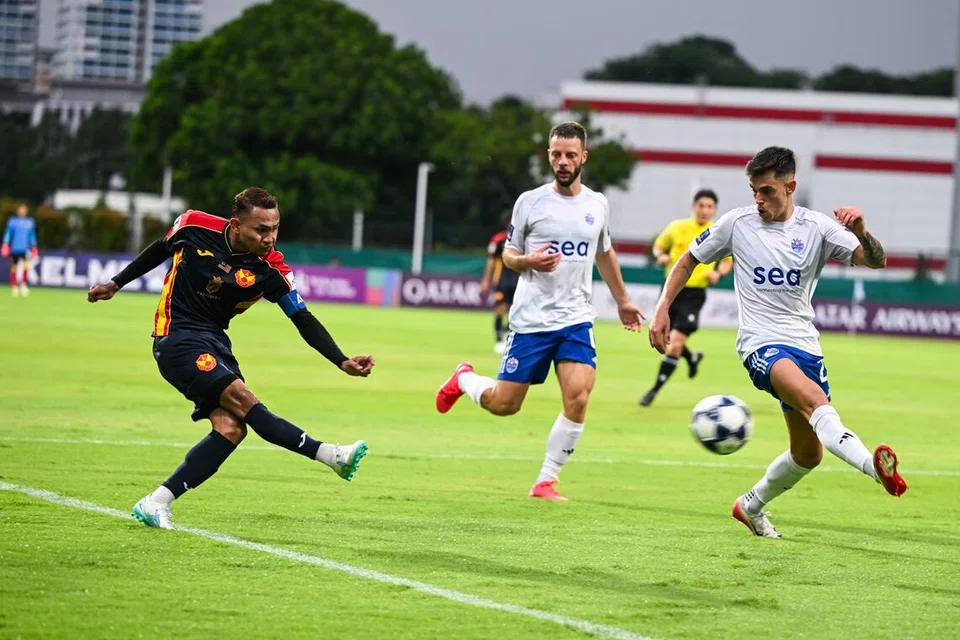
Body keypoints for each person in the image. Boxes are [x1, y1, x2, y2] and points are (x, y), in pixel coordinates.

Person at [648, 146, 908, 538]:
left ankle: (750, 505)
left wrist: (862, 233)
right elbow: (687, 259)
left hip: (806, 345)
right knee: (816, 404)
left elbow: (875, 260)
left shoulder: (817, 228)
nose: (758, 200)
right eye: (754, 190)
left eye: (767, 191)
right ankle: (878, 471)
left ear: (791, 186)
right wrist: (662, 308)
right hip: (760, 344)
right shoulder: (737, 224)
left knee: (808, 453)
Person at [87, 187, 373, 530]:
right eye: (261, 230)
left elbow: (302, 318)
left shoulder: (271, 269)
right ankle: (330, 454)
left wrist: (341, 361)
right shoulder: (194, 226)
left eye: (275, 228)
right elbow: (159, 250)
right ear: (236, 225)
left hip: (215, 343)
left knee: (232, 429)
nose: (270, 238)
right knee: (244, 400)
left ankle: (156, 502)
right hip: (176, 336)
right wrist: (116, 284)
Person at [435, 121, 644, 501]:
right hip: (532, 320)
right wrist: (528, 260)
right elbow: (508, 254)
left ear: (584, 156)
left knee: (579, 397)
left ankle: (546, 480)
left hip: (576, 318)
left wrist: (622, 300)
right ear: (548, 156)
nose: (562, 162)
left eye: (569, 155)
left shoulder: (597, 204)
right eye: (555, 155)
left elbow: (603, 251)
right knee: (504, 405)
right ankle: (464, 379)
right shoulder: (530, 201)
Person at [639, 189, 733, 406]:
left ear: (714, 210)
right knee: (667, 336)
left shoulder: (717, 231)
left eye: (710, 207)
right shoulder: (677, 227)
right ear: (694, 207)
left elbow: (728, 260)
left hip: (694, 294)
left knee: (675, 343)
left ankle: (653, 391)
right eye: (701, 206)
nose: (705, 210)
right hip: (671, 290)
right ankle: (691, 357)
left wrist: (718, 273)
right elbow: (659, 245)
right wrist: (661, 256)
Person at [480, 210, 521, 354]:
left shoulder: (523, 239)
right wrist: (486, 280)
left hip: (519, 280)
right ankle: (498, 340)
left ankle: (507, 336)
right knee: (499, 309)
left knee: (516, 311)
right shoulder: (498, 240)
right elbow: (491, 261)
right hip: (501, 280)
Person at [2, 204, 39, 297]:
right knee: (13, 267)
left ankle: (23, 285)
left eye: (24, 210)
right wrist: (5, 244)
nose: (23, 211)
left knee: (26, 266)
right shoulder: (13, 222)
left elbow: (32, 235)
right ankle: (14, 286)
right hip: (14, 248)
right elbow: (8, 233)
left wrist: (34, 246)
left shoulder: (29, 222)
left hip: (25, 248)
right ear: (18, 211)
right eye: (21, 209)